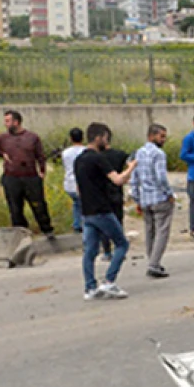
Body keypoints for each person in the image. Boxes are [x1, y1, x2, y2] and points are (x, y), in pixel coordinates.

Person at [75, 123, 137, 301]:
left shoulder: (79, 160)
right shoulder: (98, 158)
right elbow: (118, 180)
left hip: (87, 212)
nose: (106, 142)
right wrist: (131, 167)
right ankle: (109, 281)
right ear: (98, 138)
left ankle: (90, 287)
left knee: (90, 251)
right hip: (102, 209)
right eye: (105, 138)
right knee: (122, 244)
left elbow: (78, 189)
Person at [0, 110, 55, 239]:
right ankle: (21, 233)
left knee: (38, 205)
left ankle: (47, 230)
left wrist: (42, 172)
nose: (6, 124)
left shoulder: (32, 137)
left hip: (30, 177)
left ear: (16, 122)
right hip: (12, 177)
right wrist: (1, 153)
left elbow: (40, 156)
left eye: (8, 121)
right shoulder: (2, 138)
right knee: (15, 208)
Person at [130, 124, 176, 279]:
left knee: (149, 231)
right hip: (159, 198)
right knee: (162, 231)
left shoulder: (138, 153)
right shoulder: (158, 154)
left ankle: (152, 260)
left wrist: (136, 197)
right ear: (151, 136)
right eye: (161, 136)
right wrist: (169, 194)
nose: (164, 139)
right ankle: (154, 264)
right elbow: (161, 176)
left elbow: (134, 178)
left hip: (145, 199)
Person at [99, 139, 130, 261]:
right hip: (117, 191)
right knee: (118, 222)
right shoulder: (119, 154)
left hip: (102, 193)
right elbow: (131, 159)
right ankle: (119, 249)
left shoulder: (97, 156)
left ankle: (107, 251)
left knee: (104, 224)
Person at [60, 128, 87, 234]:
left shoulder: (65, 153)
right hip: (83, 183)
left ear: (70, 138)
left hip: (69, 183)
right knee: (85, 204)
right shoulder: (86, 151)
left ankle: (77, 224)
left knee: (76, 203)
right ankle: (84, 225)